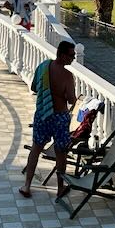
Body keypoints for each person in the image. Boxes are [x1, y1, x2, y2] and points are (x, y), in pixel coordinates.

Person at [18, 40, 77, 198]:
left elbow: (34, 88)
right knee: (61, 153)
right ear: (63, 55)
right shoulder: (67, 76)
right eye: (72, 55)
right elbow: (71, 100)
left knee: (36, 148)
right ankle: (59, 189)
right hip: (59, 118)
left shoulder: (44, 66)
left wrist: (48, 92)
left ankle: (27, 185)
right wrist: (63, 95)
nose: (74, 58)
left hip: (43, 114)